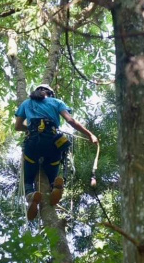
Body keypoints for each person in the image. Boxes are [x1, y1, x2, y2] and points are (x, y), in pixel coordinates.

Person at [15, 84, 98, 221]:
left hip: (33, 142)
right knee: (53, 164)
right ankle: (55, 185)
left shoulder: (26, 103)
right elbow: (70, 120)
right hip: (51, 141)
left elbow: (17, 126)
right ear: (50, 94)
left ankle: (30, 194)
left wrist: (30, 128)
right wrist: (89, 135)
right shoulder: (56, 102)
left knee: (29, 173)